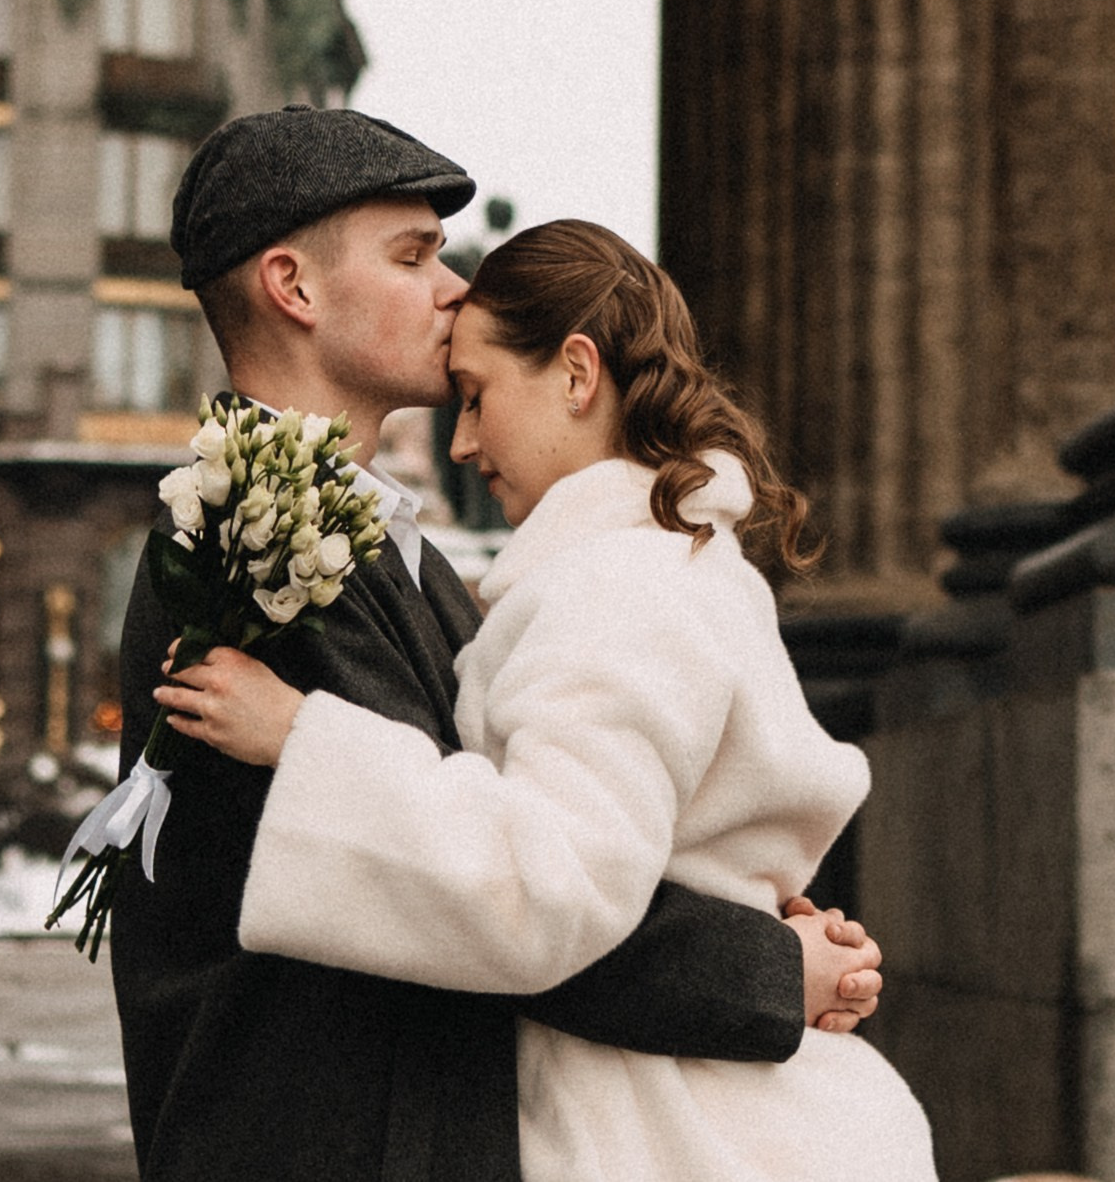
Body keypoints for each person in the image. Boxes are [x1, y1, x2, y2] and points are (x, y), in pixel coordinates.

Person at [113, 107, 887, 1180]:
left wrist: (736, 901)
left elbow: (511, 840)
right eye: (413, 255)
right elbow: (473, 897)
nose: (451, 288)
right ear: (293, 288)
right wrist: (765, 966)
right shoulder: (256, 546)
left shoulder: (395, 550)